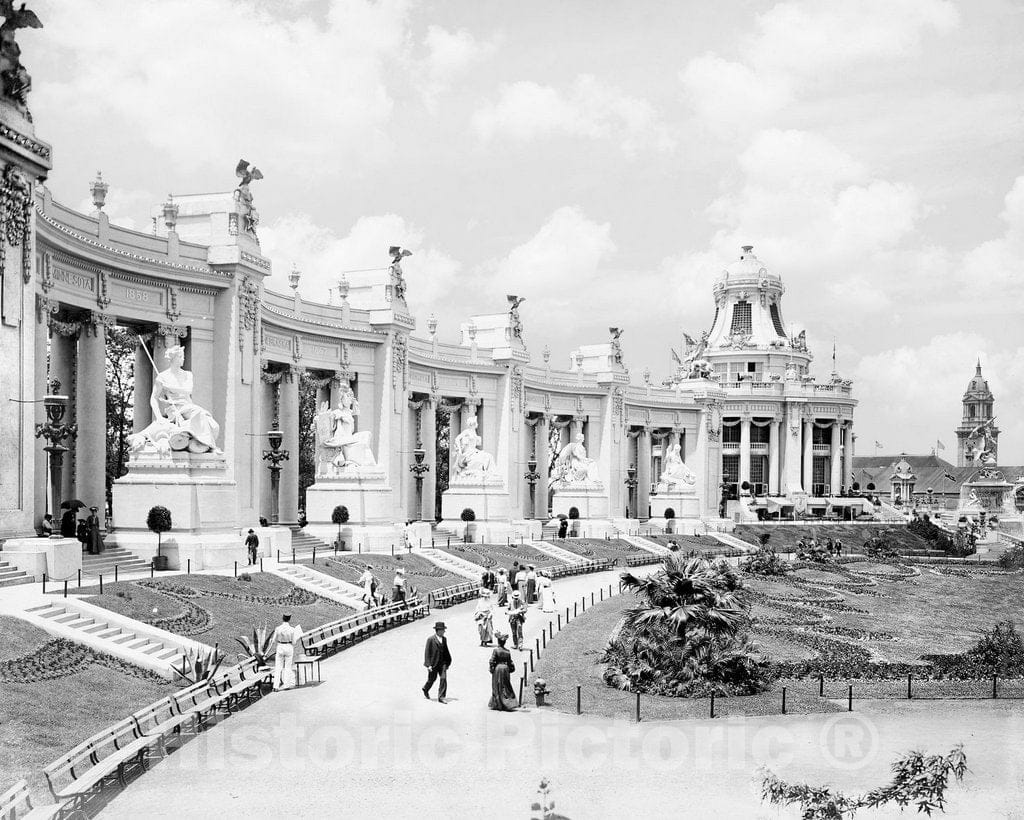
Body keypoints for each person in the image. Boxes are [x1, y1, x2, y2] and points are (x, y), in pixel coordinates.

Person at [422, 621, 452, 703]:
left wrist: (448, 662)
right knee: (432, 679)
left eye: (444, 630)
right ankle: (425, 688)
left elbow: (446, 651)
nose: (444, 632)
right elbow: (427, 652)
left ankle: (441, 697)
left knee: (443, 679)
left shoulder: (444, 639)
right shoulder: (430, 639)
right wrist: (428, 665)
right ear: (438, 630)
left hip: (442, 664)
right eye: (442, 630)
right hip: (433, 664)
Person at [488, 632, 518, 712]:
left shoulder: (496, 650)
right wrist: (510, 669)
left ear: (498, 642)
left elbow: (492, 661)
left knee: (497, 685)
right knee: (506, 685)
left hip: (498, 669)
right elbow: (510, 662)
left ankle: (497, 703)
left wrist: (492, 669)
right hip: (505, 669)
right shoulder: (507, 651)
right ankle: (508, 702)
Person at [272, 613, 298, 691]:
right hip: (289, 646)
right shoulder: (292, 629)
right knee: (288, 667)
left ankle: (276, 686)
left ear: (283, 618)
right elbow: (294, 642)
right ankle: (286, 685)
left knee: (278, 666)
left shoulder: (278, 628)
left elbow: (273, 640)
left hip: (280, 646)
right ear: (289, 619)